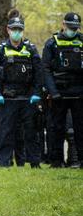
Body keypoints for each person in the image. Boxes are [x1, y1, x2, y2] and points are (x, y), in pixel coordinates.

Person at [0, 13, 43, 168]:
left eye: (19, 29)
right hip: (8, 98)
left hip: (27, 97)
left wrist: (36, 94)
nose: (16, 32)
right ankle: (3, 163)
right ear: (8, 30)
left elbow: (39, 74)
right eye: (14, 29)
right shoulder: (1, 50)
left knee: (31, 132)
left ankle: (34, 162)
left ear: (23, 30)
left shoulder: (31, 50)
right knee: (5, 132)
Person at [42, 12, 83, 167]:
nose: (73, 30)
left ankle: (80, 159)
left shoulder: (81, 41)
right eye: (71, 27)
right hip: (59, 91)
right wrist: (53, 92)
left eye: (76, 27)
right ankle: (56, 161)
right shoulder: (52, 43)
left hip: (79, 92)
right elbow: (45, 69)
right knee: (55, 128)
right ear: (63, 25)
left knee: (80, 128)